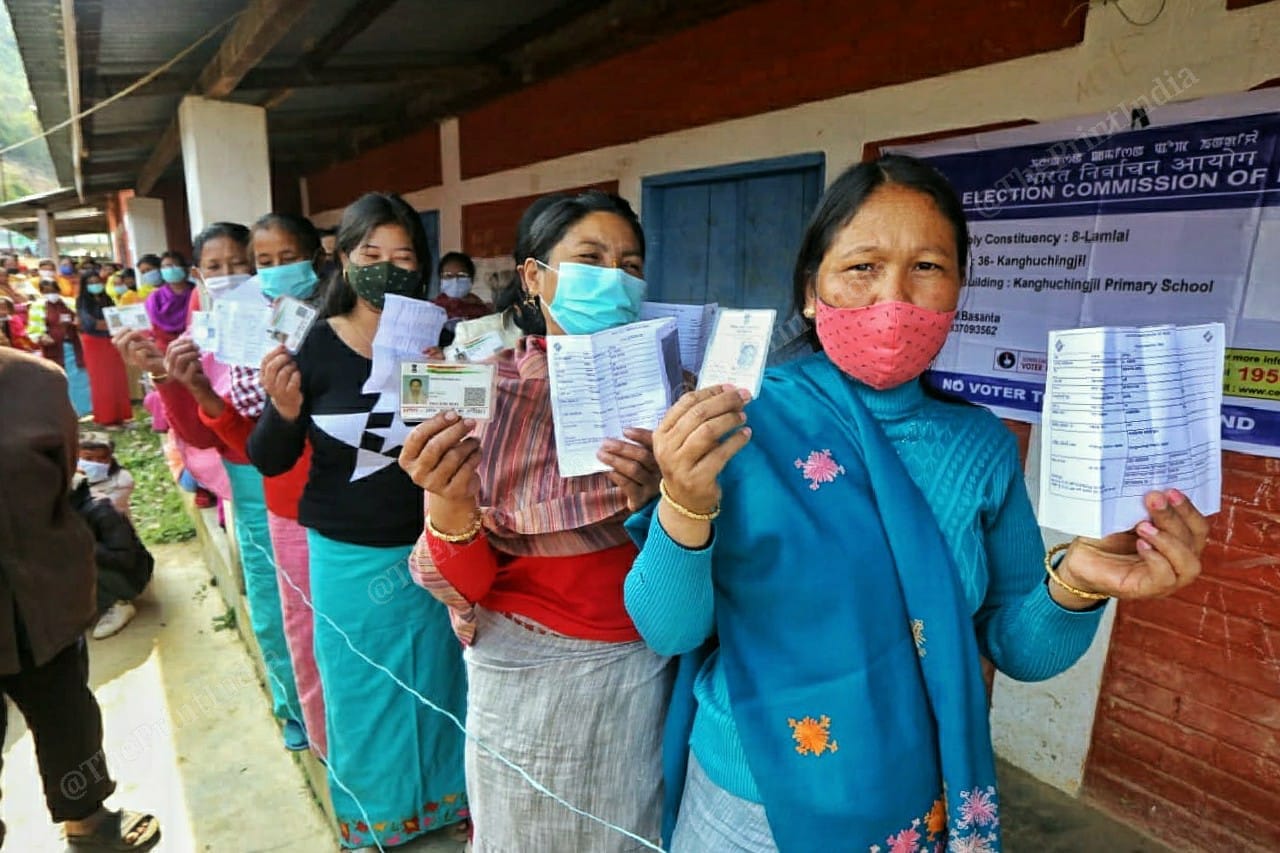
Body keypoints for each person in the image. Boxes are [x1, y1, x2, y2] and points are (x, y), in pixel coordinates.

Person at [622, 155, 1211, 852]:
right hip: (747, 802)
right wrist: (685, 501)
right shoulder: (737, 423)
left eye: (928, 267)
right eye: (862, 267)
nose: (893, 297)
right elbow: (668, 627)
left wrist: (1083, 578)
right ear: (812, 292)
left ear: (959, 289)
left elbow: (1018, 648)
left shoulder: (981, 447)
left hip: (910, 802)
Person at [398, 190, 669, 852]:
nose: (615, 277)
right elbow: (468, 580)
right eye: (590, 258)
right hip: (527, 678)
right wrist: (449, 502)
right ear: (533, 276)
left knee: (629, 831)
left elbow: (701, 551)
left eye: (630, 264)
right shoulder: (479, 391)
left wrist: (659, 499)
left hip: (645, 669)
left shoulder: (675, 388)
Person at [249, 192, 468, 851]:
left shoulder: (440, 338)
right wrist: (282, 411)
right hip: (346, 552)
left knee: (440, 674)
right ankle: (375, 820)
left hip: (433, 543)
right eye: (370, 253)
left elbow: (463, 443)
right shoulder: (307, 342)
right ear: (341, 259)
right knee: (363, 688)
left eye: (404, 255)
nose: (387, 267)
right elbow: (268, 455)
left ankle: (446, 800)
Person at [118, 222, 308, 752]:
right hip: (249, 481)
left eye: (240, 265)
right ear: (199, 275)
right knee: (273, 604)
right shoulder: (199, 338)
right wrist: (166, 377)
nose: (229, 277)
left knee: (314, 603)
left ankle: (325, 703)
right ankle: (292, 705)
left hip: (306, 477)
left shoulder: (293, 322)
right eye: (216, 267)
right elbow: (199, 429)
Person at [0, 346, 161, 851]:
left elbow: (64, 472)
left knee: (68, 717)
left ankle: (88, 824)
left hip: (42, 596)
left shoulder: (34, 381)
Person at [192, 212, 331, 760]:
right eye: (263, 263)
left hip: (343, 495)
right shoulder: (243, 326)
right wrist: (202, 391)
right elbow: (250, 433)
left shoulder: (332, 315)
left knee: (339, 624)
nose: (272, 272)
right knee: (295, 618)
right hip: (280, 489)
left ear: (315, 258)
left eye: (284, 259)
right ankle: (308, 720)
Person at [70, 473, 154, 640]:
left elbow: (125, 558)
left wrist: (83, 545)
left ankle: (117, 604)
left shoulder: (100, 509)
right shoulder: (64, 510)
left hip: (130, 578)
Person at [78, 270, 134, 427]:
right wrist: (108, 323)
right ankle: (106, 418)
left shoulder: (107, 298)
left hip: (111, 340)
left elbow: (117, 319)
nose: (95, 285)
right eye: (91, 283)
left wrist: (108, 323)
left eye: (97, 281)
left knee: (117, 378)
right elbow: (90, 324)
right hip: (94, 343)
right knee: (101, 380)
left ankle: (122, 416)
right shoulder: (82, 302)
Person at [79, 434, 136, 518]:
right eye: (88, 458)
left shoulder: (121, 480)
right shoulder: (68, 475)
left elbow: (102, 508)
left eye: (102, 458)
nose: (96, 463)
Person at [144, 251, 193, 350]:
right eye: (164, 267)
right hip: (163, 348)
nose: (168, 270)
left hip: (193, 346)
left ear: (184, 268)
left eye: (172, 265)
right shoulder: (154, 297)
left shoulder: (196, 293)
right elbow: (150, 326)